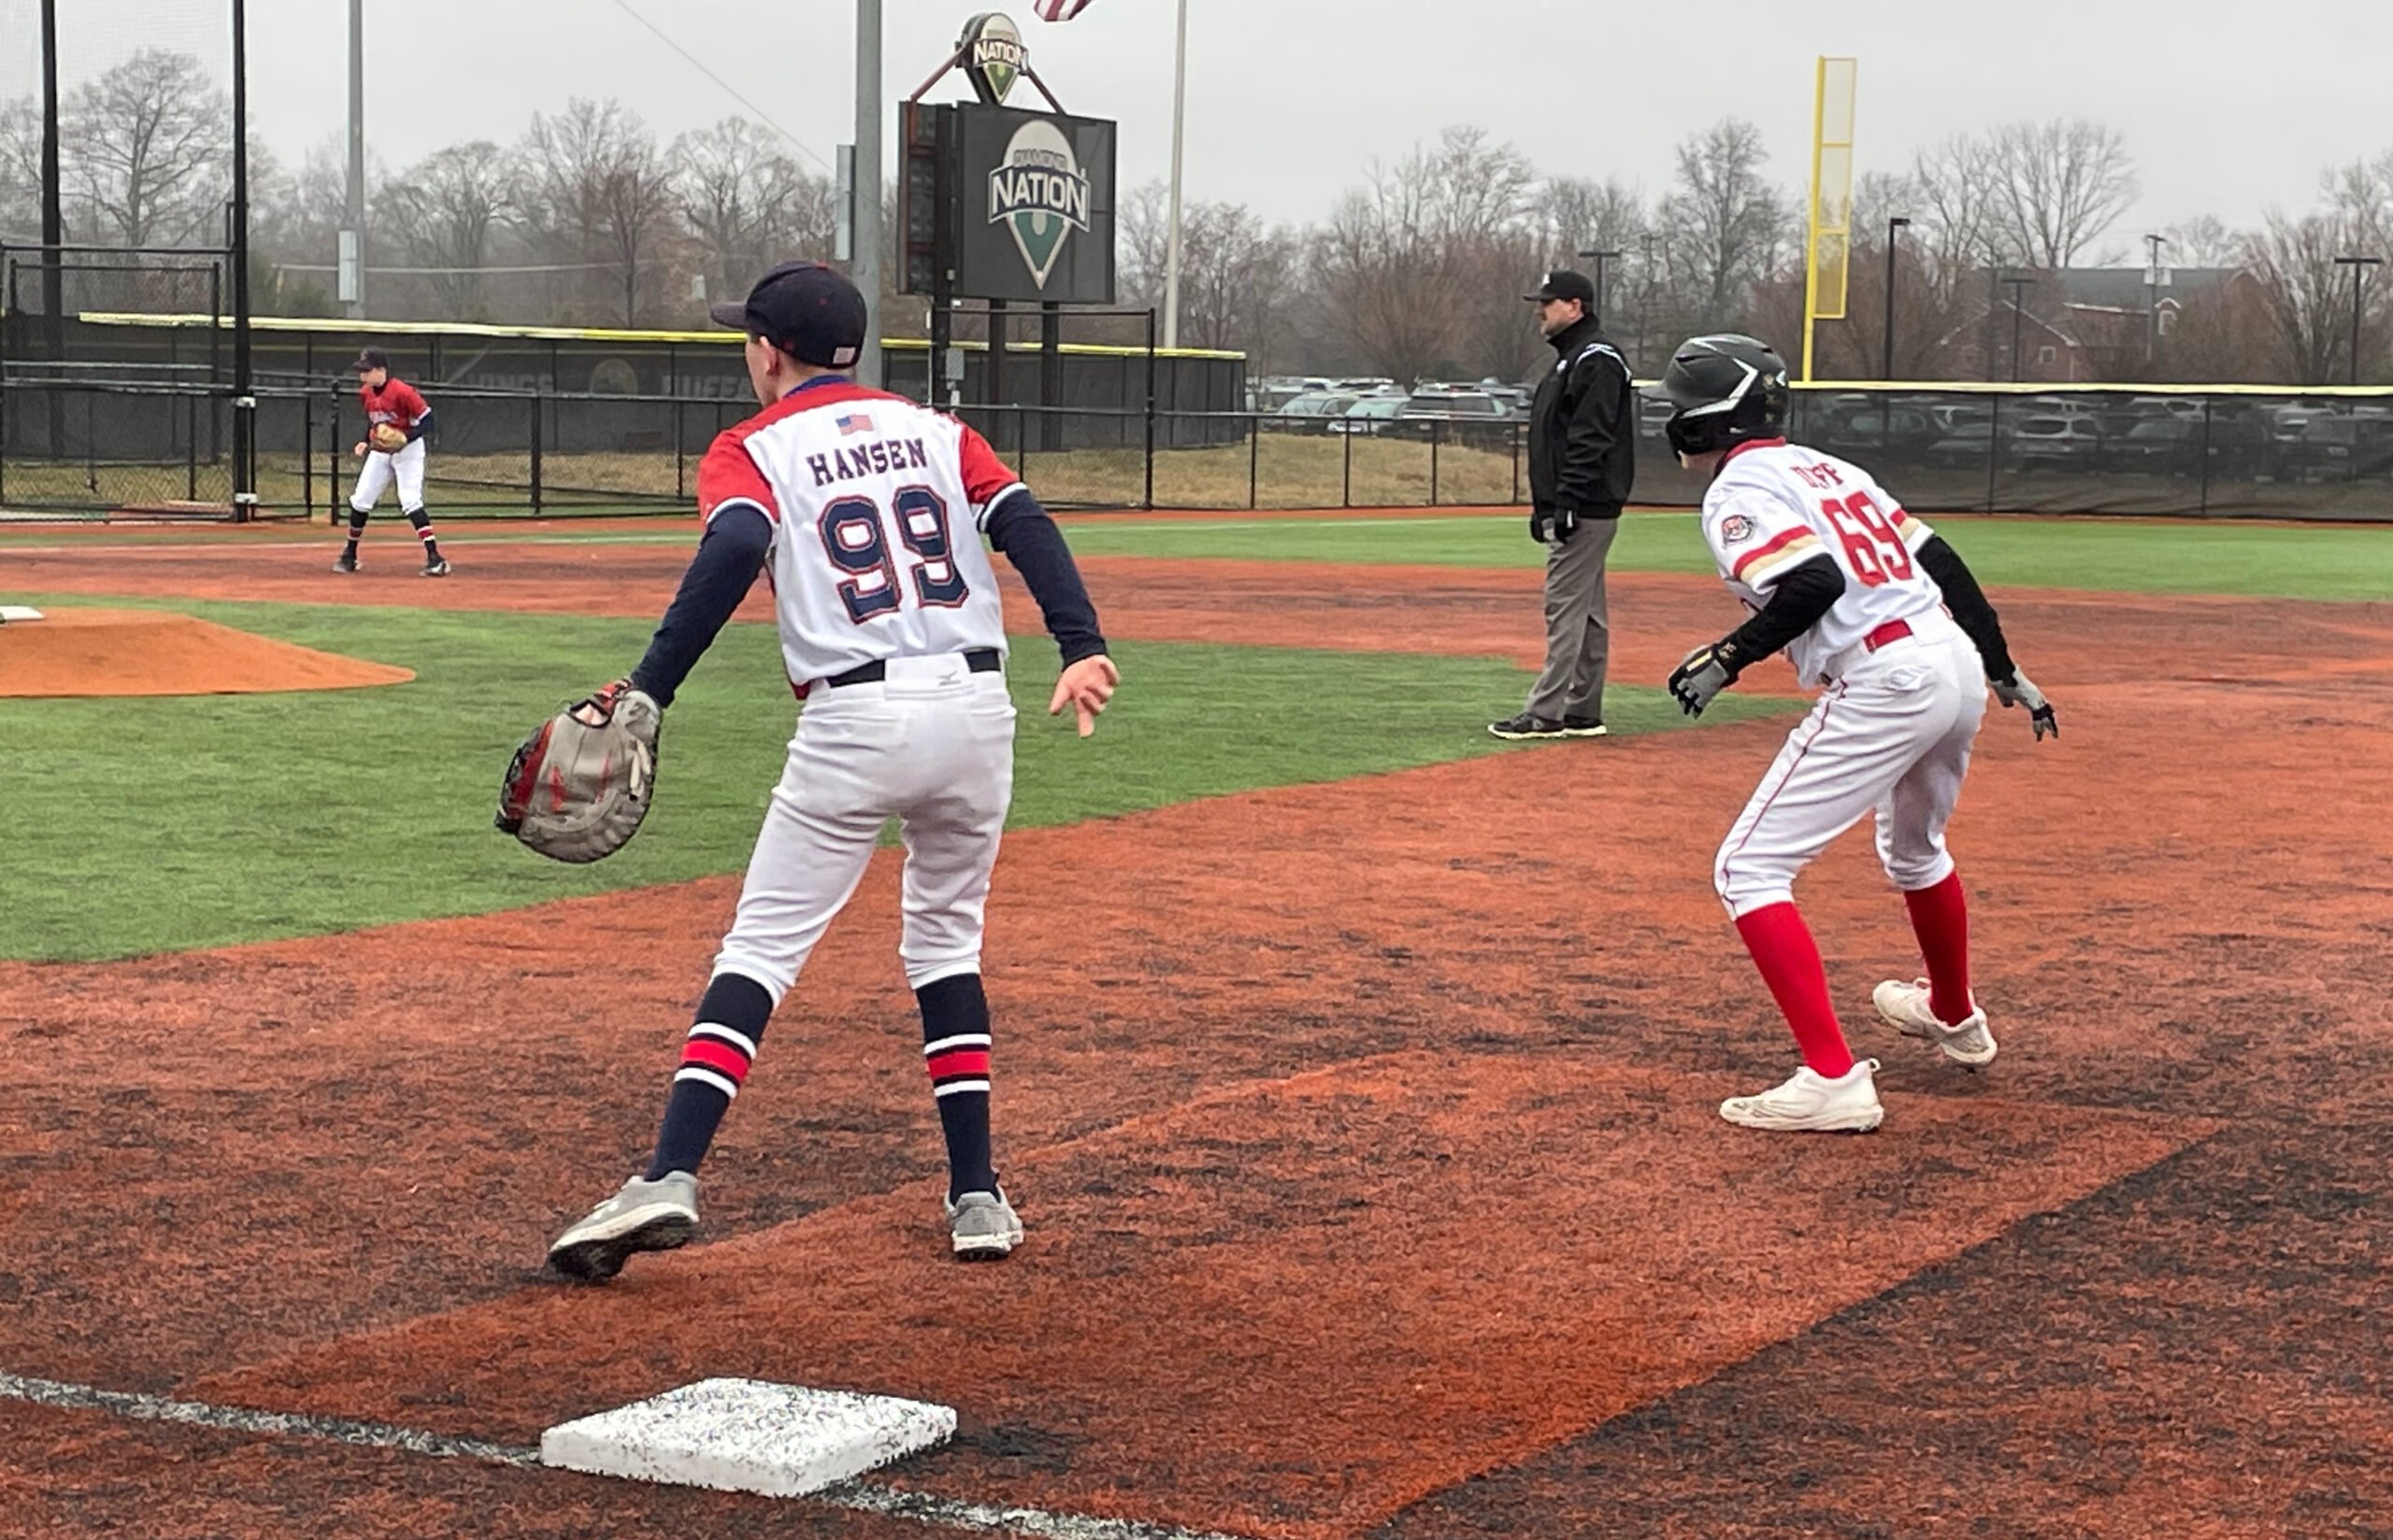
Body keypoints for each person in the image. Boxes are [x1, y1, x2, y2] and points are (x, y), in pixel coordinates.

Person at [547, 261, 1119, 1280]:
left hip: (855, 718)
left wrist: (651, 686)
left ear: (770, 351)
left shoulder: (751, 445)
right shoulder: (942, 432)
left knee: (763, 946)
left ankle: (671, 1171)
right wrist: (1078, 643)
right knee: (945, 942)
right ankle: (977, 1194)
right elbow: (1024, 523)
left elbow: (733, 550)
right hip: (978, 712)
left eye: (747, 336)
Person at [1654, 335, 2058, 1134]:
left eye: (1676, 408)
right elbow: (1941, 561)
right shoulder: (1828, 467)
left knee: (1749, 867)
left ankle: (1832, 1078)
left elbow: (1815, 581)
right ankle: (1954, 1014)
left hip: (1888, 678)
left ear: (1706, 419)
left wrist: (1728, 657)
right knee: (1916, 853)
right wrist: (2002, 667)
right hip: (1950, 659)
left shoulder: (1737, 489)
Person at [1490, 269, 1636, 741]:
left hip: (1587, 504)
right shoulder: (1575, 359)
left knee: (1564, 606)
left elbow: (1589, 437)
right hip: (1582, 502)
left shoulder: (1595, 359)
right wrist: (1545, 505)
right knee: (1588, 610)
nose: (1540, 309)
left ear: (1576, 307)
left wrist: (1567, 499)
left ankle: (1546, 711)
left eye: (1549, 303)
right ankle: (1582, 708)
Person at [337, 349, 450, 577]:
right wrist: (364, 440)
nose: (363, 376)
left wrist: (406, 438)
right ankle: (350, 555)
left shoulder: (403, 392)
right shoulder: (366, 393)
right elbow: (375, 423)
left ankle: (435, 558)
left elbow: (429, 421)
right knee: (360, 500)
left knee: (410, 500)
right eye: (361, 371)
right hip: (381, 450)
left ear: (381, 370)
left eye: (367, 371)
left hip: (408, 450)